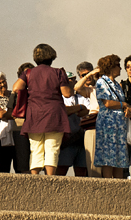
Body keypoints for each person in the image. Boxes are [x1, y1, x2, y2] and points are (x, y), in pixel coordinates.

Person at [12, 44, 71, 176]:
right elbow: (66, 93)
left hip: (34, 114)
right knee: (52, 148)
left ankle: (35, 178)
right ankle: (50, 178)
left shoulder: (28, 73)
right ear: (52, 57)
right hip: (54, 114)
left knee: (36, 148)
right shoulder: (58, 72)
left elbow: (16, 87)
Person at [85, 55, 131, 179]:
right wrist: (124, 104)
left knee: (119, 157)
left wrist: (126, 109)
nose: (121, 68)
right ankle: (108, 185)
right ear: (111, 67)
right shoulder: (101, 82)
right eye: (118, 65)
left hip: (119, 124)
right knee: (108, 156)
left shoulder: (116, 84)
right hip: (108, 124)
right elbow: (107, 103)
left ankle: (119, 185)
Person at [55, 72, 89, 177]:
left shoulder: (83, 96)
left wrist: (72, 110)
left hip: (82, 139)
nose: (73, 81)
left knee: (82, 171)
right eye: (70, 79)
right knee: (61, 170)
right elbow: (62, 111)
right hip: (67, 140)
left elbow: (88, 111)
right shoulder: (58, 97)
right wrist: (79, 108)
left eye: (74, 79)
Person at [74, 61, 102, 178]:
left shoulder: (98, 88)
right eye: (84, 75)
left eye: (90, 73)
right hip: (81, 131)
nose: (88, 76)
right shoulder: (88, 90)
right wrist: (88, 76)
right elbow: (77, 87)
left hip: (101, 126)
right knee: (90, 167)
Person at [11, 62, 35, 174]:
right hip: (20, 127)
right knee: (23, 161)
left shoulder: (39, 90)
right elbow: (9, 110)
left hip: (36, 127)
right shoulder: (16, 91)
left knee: (37, 159)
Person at [0, 72, 16, 173]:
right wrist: (15, 114)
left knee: (19, 164)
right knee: (2, 166)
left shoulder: (13, 95)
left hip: (15, 134)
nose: (3, 84)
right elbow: (1, 114)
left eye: (4, 81)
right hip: (0, 136)